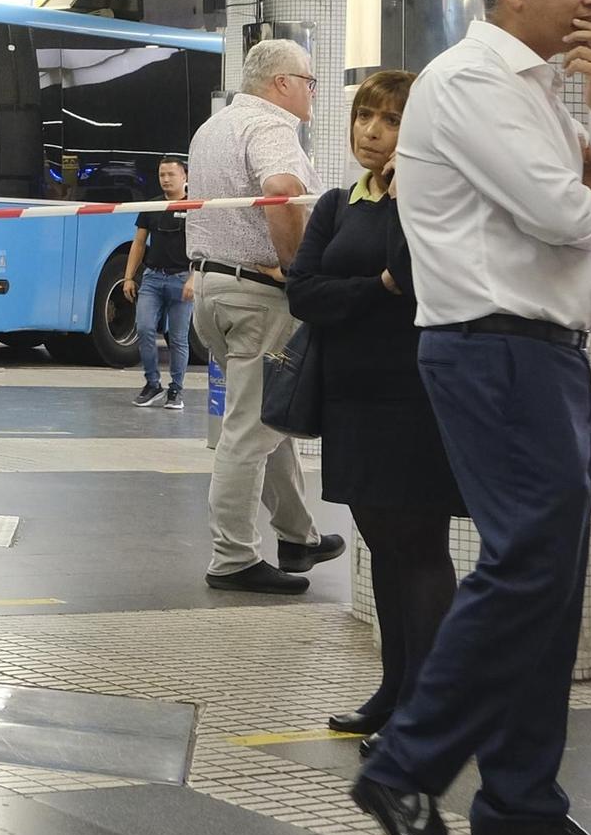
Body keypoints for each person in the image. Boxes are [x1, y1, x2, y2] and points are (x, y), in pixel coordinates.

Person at [351, 0, 591, 835]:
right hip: (493, 349)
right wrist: (588, 192)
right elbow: (564, 215)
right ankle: (404, 768)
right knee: (525, 565)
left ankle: (520, 802)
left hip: (552, 355)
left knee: (552, 585)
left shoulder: (541, 95)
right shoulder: (470, 82)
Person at [286, 70, 465, 748]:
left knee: (420, 549)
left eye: (390, 120)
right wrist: (375, 288)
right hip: (351, 399)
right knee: (383, 549)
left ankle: (427, 709)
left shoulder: (424, 199)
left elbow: (414, 275)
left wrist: (406, 184)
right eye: (366, 115)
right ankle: (394, 689)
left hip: (415, 395)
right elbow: (303, 291)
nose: (371, 130)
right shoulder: (336, 202)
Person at [186, 38, 343, 594]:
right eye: (309, 81)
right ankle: (232, 558)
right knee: (251, 431)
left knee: (271, 417)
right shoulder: (273, 126)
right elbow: (281, 191)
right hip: (257, 296)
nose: (312, 93)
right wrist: (298, 268)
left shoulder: (214, 127)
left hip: (213, 291)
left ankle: (298, 534)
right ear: (281, 83)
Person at [120, 157, 193, 409]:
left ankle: (176, 389)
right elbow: (139, 243)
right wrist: (129, 276)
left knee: (178, 337)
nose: (165, 179)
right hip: (152, 278)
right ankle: (152, 383)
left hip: (182, 279)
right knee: (144, 328)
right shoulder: (151, 206)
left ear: (185, 176)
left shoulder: (196, 207)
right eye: (162, 174)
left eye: (171, 174)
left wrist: (195, 279)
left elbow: (203, 247)